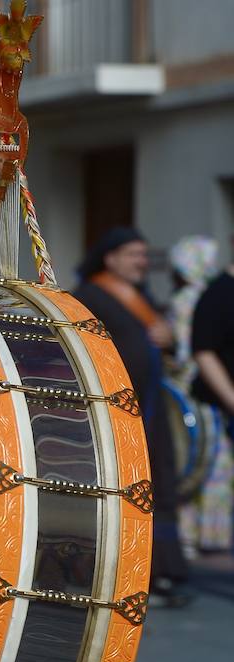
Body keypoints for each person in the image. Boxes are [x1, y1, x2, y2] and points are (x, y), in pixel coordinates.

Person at [74, 227, 190, 601]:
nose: (142, 261)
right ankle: (129, 578)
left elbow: (164, 348)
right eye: (133, 254)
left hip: (152, 409)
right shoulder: (89, 297)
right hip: (116, 416)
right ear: (111, 259)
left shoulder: (142, 298)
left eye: (144, 254)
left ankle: (163, 572)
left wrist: (168, 341)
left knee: (161, 486)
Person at [169, 235, 232, 552]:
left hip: (193, 388)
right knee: (205, 464)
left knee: (204, 465)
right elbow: (193, 351)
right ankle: (205, 535)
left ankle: (197, 536)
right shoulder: (200, 297)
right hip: (200, 393)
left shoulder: (185, 297)